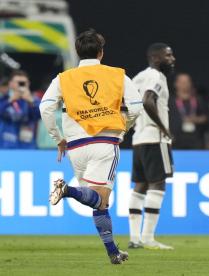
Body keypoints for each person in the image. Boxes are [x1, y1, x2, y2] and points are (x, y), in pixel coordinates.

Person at [40, 29, 143, 264]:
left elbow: (44, 108)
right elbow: (136, 107)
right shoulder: (118, 75)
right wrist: (123, 127)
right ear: (101, 52)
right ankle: (67, 191)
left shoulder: (63, 78)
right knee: (99, 198)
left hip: (75, 146)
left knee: (98, 201)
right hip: (104, 142)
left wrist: (58, 138)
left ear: (78, 52)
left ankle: (113, 253)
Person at [127, 43, 175, 250]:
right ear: (156, 59)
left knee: (140, 186)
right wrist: (163, 128)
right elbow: (148, 100)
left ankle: (135, 238)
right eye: (168, 55)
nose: (172, 59)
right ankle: (148, 238)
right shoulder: (156, 76)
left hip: (139, 138)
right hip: (155, 138)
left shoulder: (138, 77)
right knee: (158, 184)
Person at [0, 70, 41, 148]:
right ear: (10, 84)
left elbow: (42, 115)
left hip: (27, 144)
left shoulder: (34, 100)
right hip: (6, 144)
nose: (21, 85)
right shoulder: (3, 99)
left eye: (24, 82)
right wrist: (10, 100)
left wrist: (31, 102)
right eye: (18, 82)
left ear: (28, 84)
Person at [169, 73, 209, 149]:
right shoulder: (170, 101)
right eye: (182, 82)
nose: (185, 84)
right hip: (176, 139)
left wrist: (196, 119)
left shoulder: (198, 100)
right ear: (176, 84)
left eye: (187, 82)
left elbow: (207, 118)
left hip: (196, 139)